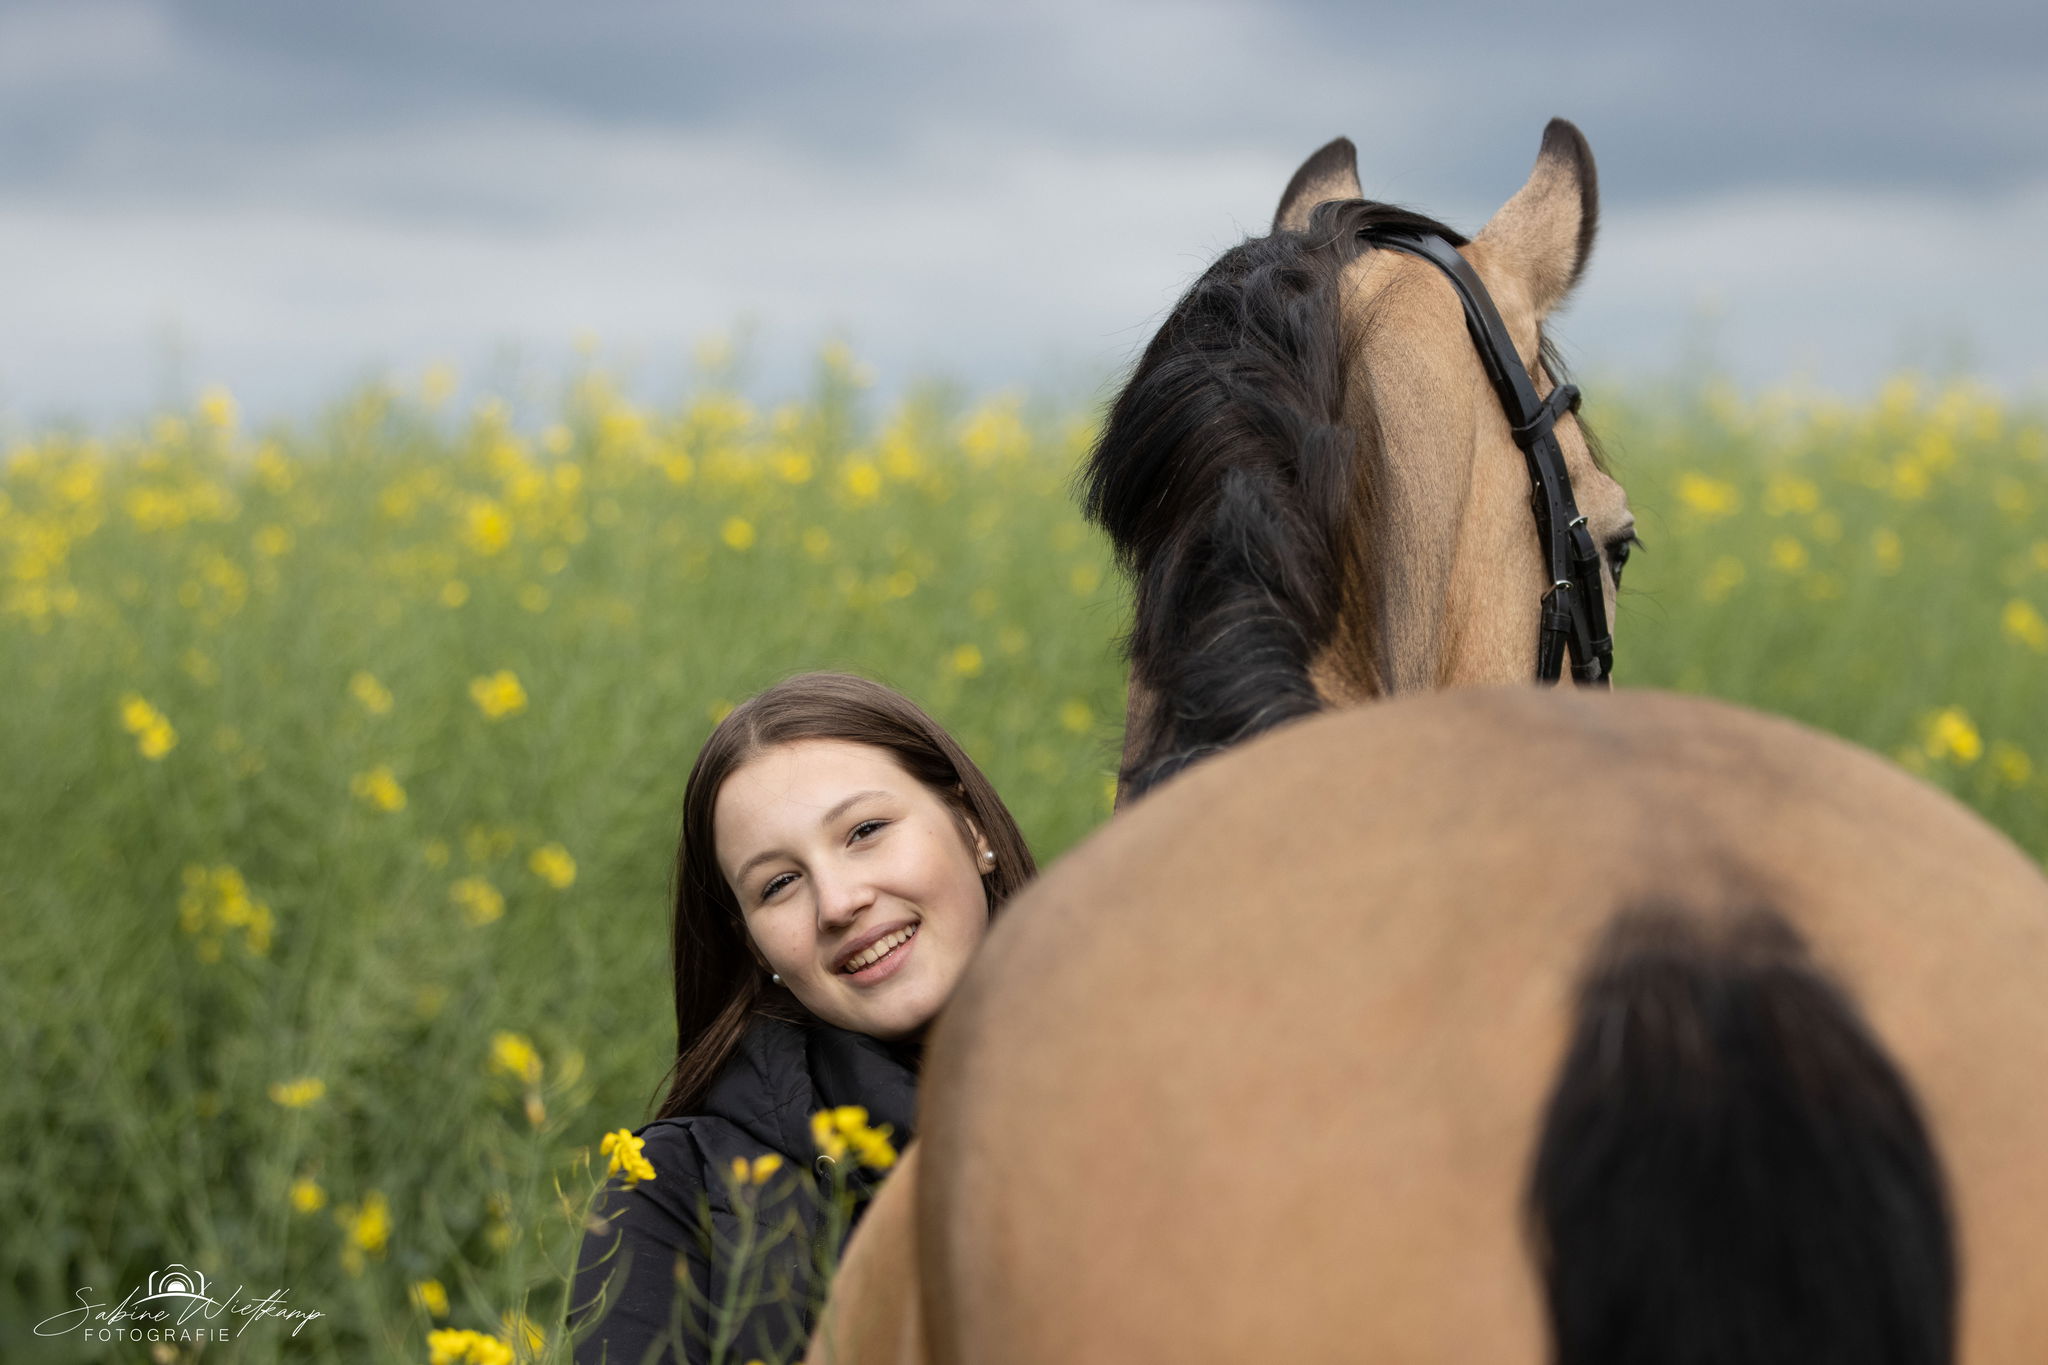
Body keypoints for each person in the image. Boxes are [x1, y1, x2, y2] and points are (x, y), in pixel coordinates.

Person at [567, 671, 1037, 1365]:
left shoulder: (1158, 1086)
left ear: (971, 829)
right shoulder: (671, 1192)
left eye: (865, 830)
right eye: (779, 884)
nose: (838, 901)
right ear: (754, 946)